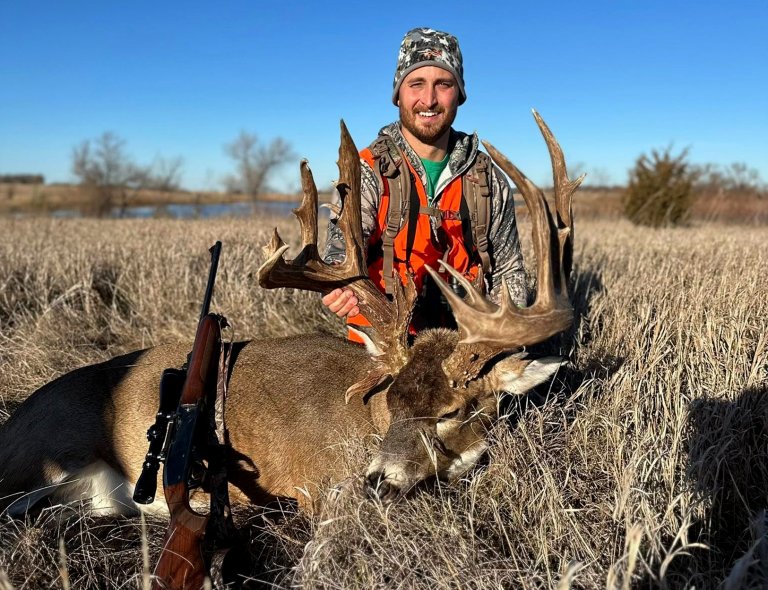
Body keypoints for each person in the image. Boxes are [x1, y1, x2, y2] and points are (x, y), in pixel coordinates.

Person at [322, 27, 528, 341]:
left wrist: (503, 335)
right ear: (398, 94)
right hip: (385, 342)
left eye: (443, 84)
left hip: (466, 344)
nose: (429, 99)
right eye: (416, 83)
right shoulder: (365, 171)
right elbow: (339, 256)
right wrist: (336, 287)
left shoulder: (489, 179)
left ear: (458, 93)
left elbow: (508, 272)